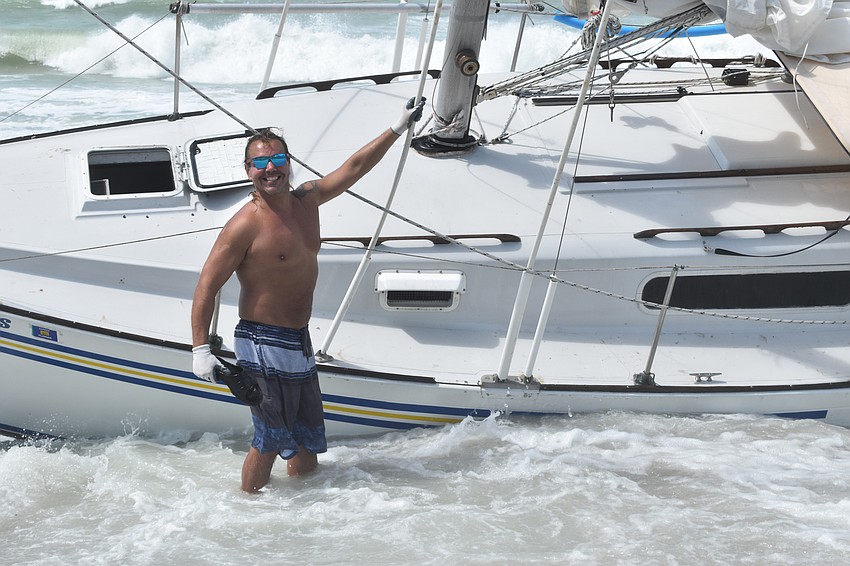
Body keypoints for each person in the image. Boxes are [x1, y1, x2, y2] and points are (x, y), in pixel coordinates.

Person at [191, 98, 425, 493]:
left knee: (304, 437)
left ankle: (304, 517)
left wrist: (397, 128)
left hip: (298, 339)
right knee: (268, 440)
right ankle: (243, 513)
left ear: (288, 161)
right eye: (260, 164)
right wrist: (200, 349)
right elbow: (206, 286)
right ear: (248, 171)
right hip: (262, 342)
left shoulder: (307, 200)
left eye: (276, 159)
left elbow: (353, 168)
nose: (270, 169)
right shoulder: (244, 225)